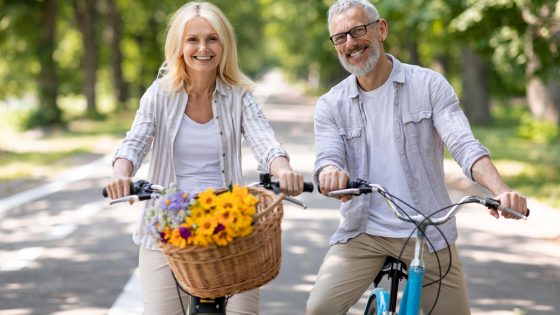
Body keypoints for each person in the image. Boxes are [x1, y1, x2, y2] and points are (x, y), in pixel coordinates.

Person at [306, 0, 529, 314]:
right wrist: (330, 172)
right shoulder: (331, 104)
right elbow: (328, 157)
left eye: (358, 30)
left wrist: (501, 190)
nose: (350, 43)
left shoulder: (429, 85)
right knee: (319, 309)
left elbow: (464, 145)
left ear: (381, 29)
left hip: (429, 233)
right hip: (363, 233)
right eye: (340, 37)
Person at [104, 2, 304, 314]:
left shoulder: (239, 95)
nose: (203, 48)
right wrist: (121, 174)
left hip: (229, 226)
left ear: (224, 45)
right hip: (169, 229)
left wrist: (284, 170)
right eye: (193, 39)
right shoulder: (159, 95)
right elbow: (135, 142)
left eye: (212, 39)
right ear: (179, 46)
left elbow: (265, 142)